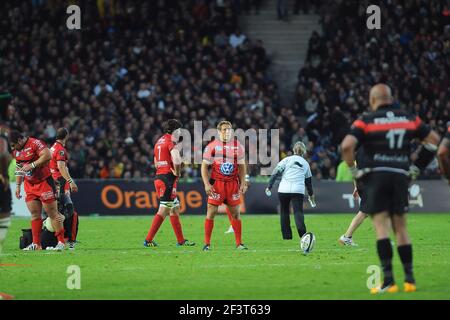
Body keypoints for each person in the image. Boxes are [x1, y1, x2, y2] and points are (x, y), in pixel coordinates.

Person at [341, 84, 440, 294]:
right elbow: (434, 141)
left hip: (376, 177)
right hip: (399, 176)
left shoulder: (366, 119)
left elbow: (347, 146)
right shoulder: (408, 118)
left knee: (381, 229)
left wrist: (354, 172)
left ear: (373, 100)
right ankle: (410, 280)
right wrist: (416, 168)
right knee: (401, 229)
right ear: (390, 97)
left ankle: (388, 281)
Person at [9, 130, 66, 251]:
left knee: (52, 213)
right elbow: (19, 168)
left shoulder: (35, 143)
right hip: (29, 185)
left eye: (14, 145)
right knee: (35, 214)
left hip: (44, 182)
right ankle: (36, 244)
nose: (13, 148)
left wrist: (33, 165)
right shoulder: (16, 152)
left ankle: (61, 242)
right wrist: (18, 185)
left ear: (19, 140)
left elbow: (48, 155)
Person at [143, 119, 195, 247]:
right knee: (164, 210)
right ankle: (148, 240)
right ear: (175, 130)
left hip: (160, 177)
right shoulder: (172, 142)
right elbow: (176, 160)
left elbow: (156, 162)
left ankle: (181, 241)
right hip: (168, 179)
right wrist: (177, 172)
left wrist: (164, 168)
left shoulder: (158, 142)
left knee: (174, 209)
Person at [201, 120, 248, 251]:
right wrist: (206, 184)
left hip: (232, 184)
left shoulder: (238, 146)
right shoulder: (212, 146)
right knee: (211, 212)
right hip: (217, 184)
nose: (227, 131)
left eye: (229, 129)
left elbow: (242, 167)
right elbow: (204, 167)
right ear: (219, 132)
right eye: (224, 129)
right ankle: (207, 244)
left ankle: (239, 244)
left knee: (236, 214)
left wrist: (243, 183)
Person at [265, 141, 315, 241]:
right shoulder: (305, 164)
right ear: (304, 151)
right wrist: (311, 195)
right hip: (298, 190)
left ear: (293, 150)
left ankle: (287, 236)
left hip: (283, 189)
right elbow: (308, 183)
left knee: (284, 211)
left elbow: (275, 172)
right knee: (298, 212)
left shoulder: (286, 160)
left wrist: (269, 186)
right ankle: (303, 235)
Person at [49, 127, 79, 249]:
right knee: (69, 211)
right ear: (66, 136)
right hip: (60, 183)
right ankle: (68, 240)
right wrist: (71, 181)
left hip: (53, 182)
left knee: (59, 210)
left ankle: (60, 239)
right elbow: (61, 168)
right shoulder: (61, 150)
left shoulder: (52, 148)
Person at [339, 147, 368, 246]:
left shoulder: (359, 152)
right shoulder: (369, 151)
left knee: (371, 211)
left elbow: (355, 168)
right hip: (367, 184)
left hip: (362, 184)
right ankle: (346, 237)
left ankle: (384, 238)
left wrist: (356, 186)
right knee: (364, 212)